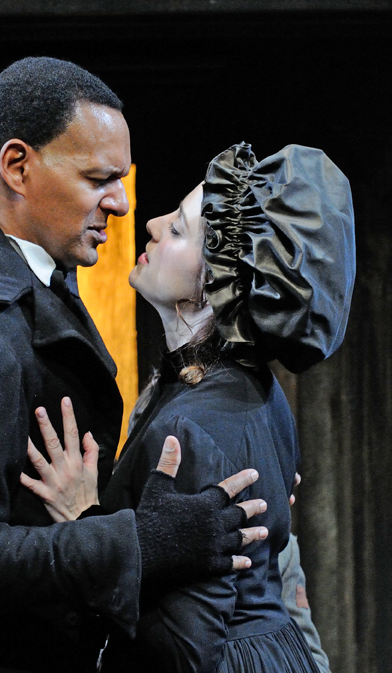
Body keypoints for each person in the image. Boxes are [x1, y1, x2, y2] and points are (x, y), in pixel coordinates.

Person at [0, 59, 268, 673]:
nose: (121, 203)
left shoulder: (32, 285)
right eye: (99, 178)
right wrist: (136, 542)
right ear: (18, 167)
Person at [24, 142, 354, 672]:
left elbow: (179, 653)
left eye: (178, 230)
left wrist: (84, 523)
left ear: (212, 284)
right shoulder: (252, 388)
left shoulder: (190, 426)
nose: (151, 224)